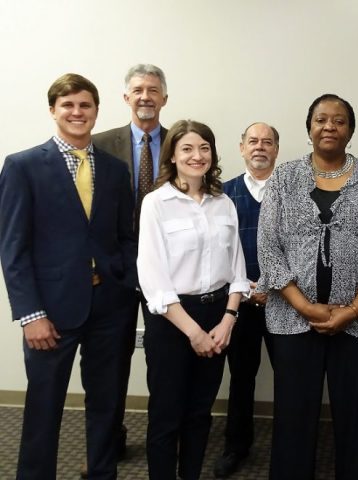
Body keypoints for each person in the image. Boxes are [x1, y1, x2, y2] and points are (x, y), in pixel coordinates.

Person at [0, 73, 138, 479]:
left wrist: (124, 280)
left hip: (110, 306)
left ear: (96, 111)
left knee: (107, 404)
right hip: (50, 312)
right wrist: (30, 314)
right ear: (53, 111)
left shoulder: (114, 169)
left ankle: (101, 473)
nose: (77, 112)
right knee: (44, 406)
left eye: (85, 105)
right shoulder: (22, 166)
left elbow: (125, 236)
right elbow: (13, 248)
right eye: (68, 105)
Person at [257, 93, 358, 480]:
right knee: (294, 416)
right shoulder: (284, 177)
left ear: (350, 130)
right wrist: (305, 306)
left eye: (338, 120)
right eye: (321, 119)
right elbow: (268, 247)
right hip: (292, 319)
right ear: (309, 128)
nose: (329, 126)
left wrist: (352, 309)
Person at [137, 119, 250, 479]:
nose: (196, 155)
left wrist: (228, 320)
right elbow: (153, 279)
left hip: (218, 318)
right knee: (167, 416)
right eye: (186, 148)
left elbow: (238, 270)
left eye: (204, 147)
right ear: (172, 154)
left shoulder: (223, 203)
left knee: (201, 414)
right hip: (172, 321)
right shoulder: (156, 204)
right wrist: (193, 332)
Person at [90, 62, 169, 470]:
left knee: (164, 361)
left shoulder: (182, 144)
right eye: (138, 90)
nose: (145, 97)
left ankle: (164, 441)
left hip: (169, 273)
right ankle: (107, 444)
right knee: (110, 365)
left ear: (164, 98)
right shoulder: (99, 144)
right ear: (126, 98)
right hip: (115, 272)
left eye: (153, 90)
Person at [213, 122, 278, 478]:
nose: (259, 147)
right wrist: (249, 288)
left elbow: (302, 247)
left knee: (291, 379)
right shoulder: (222, 195)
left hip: (286, 303)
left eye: (267, 142)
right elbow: (218, 250)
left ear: (276, 150)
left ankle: (289, 447)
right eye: (253, 141)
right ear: (241, 148)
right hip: (239, 302)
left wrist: (277, 288)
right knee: (240, 377)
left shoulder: (292, 191)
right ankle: (236, 446)